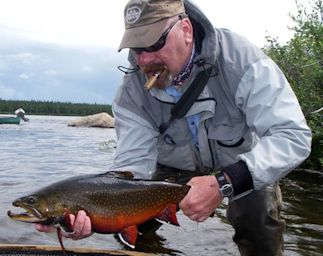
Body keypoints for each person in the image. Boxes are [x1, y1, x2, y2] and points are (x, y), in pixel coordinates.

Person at [36, 0, 312, 255]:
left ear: (186, 30)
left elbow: (292, 136)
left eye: (154, 44)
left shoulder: (241, 62)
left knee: (259, 226)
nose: (144, 60)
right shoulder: (131, 93)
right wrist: (91, 216)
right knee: (129, 227)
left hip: (242, 166)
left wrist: (224, 183)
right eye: (137, 48)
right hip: (170, 169)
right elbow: (131, 169)